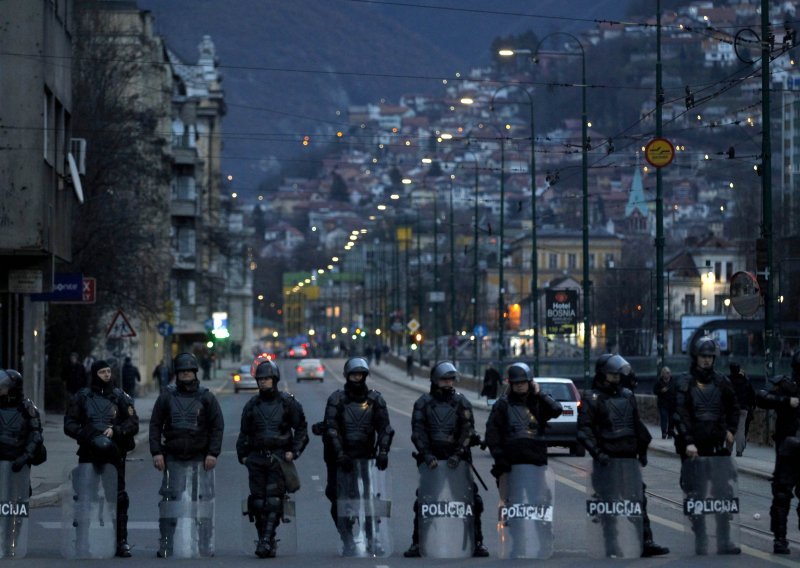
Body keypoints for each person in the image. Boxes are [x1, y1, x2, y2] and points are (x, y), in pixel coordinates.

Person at [578, 354, 669, 558]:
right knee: (608, 505)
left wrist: (643, 450)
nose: (616, 378)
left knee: (637, 502)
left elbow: (636, 426)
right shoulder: (592, 398)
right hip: (607, 460)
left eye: (618, 374)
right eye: (612, 374)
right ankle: (611, 543)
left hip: (628, 459)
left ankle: (645, 541)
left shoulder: (627, 395)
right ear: (603, 374)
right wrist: (599, 454)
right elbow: (584, 431)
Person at [403, 361, 488, 558]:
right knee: (424, 502)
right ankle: (418, 542)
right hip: (432, 461)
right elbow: (418, 432)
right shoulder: (423, 403)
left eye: (451, 379)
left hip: (457, 461)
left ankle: (477, 541)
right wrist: (426, 454)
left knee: (472, 501)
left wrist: (458, 454)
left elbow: (468, 430)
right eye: (444, 379)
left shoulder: (461, 402)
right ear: (435, 380)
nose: (448, 383)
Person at [149, 352, 224, 558]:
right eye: (182, 372)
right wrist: (156, 452)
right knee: (169, 501)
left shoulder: (206, 397)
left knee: (202, 502)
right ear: (177, 374)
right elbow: (155, 425)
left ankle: (204, 544)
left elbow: (217, 427)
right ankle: (166, 544)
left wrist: (212, 453)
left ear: (195, 373)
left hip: (200, 457)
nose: (186, 375)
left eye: (189, 371)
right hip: (172, 455)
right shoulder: (167, 397)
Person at [64, 360, 139, 557]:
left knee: (118, 498)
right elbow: (69, 424)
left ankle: (121, 541)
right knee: (84, 497)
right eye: (102, 372)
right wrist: (86, 434)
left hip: (114, 455)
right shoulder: (82, 397)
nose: (106, 375)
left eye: (108, 371)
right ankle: (82, 540)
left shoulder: (120, 397)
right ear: (95, 374)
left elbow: (133, 422)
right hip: (88, 453)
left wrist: (116, 430)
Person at [673, 336, 741, 555]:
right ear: (696, 357)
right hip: (694, 448)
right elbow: (680, 415)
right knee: (697, 496)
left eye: (710, 357)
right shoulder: (685, 382)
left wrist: (731, 429)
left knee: (723, 495)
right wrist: (689, 442)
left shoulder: (722, 381)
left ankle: (724, 540)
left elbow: (734, 407)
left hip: (717, 445)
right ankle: (701, 539)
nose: (706, 361)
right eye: (703, 356)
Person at [237, 360, 308, 558]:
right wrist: (242, 456)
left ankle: (266, 540)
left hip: (278, 458)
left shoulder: (287, 402)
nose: (263, 382)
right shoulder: (252, 405)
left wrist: (293, 452)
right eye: (260, 379)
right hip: (257, 458)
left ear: (274, 379)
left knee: (274, 500)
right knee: (258, 502)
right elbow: (244, 433)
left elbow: (302, 428)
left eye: (267, 378)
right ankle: (264, 539)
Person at [323, 357, 394, 555]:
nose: (357, 378)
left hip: (368, 459)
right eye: (354, 374)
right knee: (341, 501)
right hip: (342, 459)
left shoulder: (375, 400)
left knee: (371, 500)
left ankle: (373, 538)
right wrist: (339, 454)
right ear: (347, 376)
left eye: (360, 374)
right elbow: (331, 429)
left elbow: (385, 429)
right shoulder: (336, 399)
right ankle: (347, 538)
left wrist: (383, 452)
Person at [755, 350, 800, 554]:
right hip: (788, 449)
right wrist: (785, 401)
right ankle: (780, 538)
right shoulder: (786, 385)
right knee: (782, 495)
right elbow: (761, 396)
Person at [728, 362, 755, 457]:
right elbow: (752, 396)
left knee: (731, 429)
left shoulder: (728, 381)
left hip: (731, 408)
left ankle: (728, 449)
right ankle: (739, 451)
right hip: (743, 408)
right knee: (741, 430)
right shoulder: (746, 381)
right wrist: (751, 406)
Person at [653, 367, 675, 439]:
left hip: (672, 403)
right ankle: (664, 433)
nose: (668, 374)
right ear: (663, 374)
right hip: (663, 403)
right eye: (667, 373)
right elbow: (655, 391)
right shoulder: (659, 382)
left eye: (669, 373)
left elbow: (677, 391)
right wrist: (661, 391)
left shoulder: (673, 381)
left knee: (672, 419)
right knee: (664, 418)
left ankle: (670, 433)